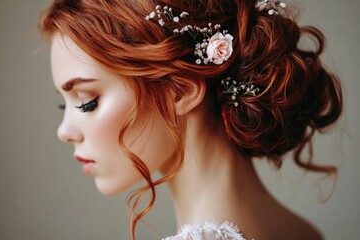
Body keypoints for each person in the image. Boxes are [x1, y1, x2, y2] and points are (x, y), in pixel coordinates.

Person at [39, 0, 342, 239]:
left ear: (180, 91)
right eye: (61, 105)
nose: (64, 132)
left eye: (86, 102)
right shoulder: (301, 232)